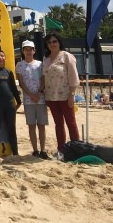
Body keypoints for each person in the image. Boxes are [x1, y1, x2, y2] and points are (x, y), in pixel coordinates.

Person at [42, 32, 80, 160]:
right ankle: (61, 150)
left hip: (65, 95)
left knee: (71, 122)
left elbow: (73, 76)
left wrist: (72, 93)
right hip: (51, 97)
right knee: (58, 124)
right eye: (49, 42)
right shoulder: (46, 59)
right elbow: (44, 77)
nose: (52, 44)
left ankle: (76, 149)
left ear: (59, 42)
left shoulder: (66, 56)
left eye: (54, 41)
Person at [16, 40, 49, 160]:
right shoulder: (20, 65)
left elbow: (43, 79)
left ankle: (43, 150)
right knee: (31, 126)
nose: (28, 51)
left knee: (41, 125)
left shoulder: (40, 64)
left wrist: (39, 93)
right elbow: (21, 82)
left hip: (40, 99)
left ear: (34, 51)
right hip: (28, 100)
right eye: (26, 49)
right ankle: (35, 149)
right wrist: (30, 95)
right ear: (23, 51)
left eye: (31, 49)